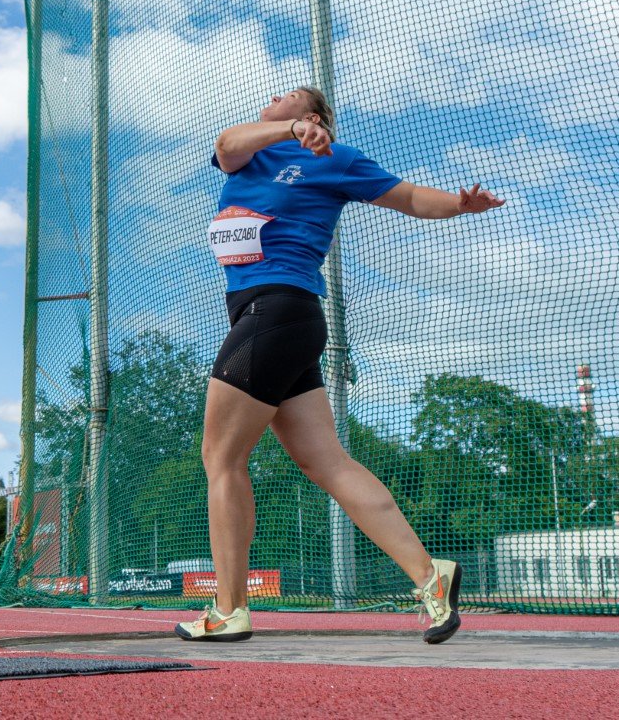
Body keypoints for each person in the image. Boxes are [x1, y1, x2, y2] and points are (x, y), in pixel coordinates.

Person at [175, 87, 504, 646]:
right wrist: (290, 130)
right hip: (279, 320)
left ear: (314, 116)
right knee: (326, 461)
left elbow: (407, 197)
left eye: (287, 97)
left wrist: (457, 204)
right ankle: (430, 578)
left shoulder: (336, 159)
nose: (270, 95)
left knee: (221, 457)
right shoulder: (254, 152)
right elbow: (226, 144)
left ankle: (229, 608)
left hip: (278, 312)